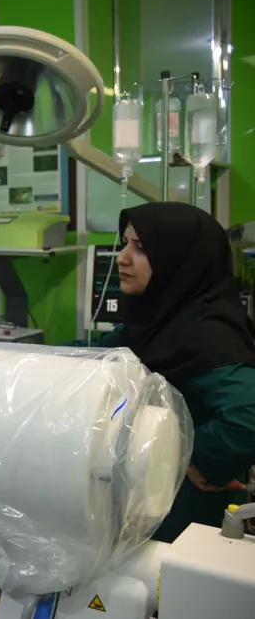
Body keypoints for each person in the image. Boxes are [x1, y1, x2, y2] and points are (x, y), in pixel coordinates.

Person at [87, 201, 255, 542]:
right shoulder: (159, 322)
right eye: (125, 243)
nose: (122, 258)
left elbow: (249, 413)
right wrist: (2, 352)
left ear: (180, 261)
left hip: (186, 513)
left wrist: (187, 456)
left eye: (141, 248)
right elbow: (105, 351)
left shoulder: (207, 333)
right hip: (150, 499)